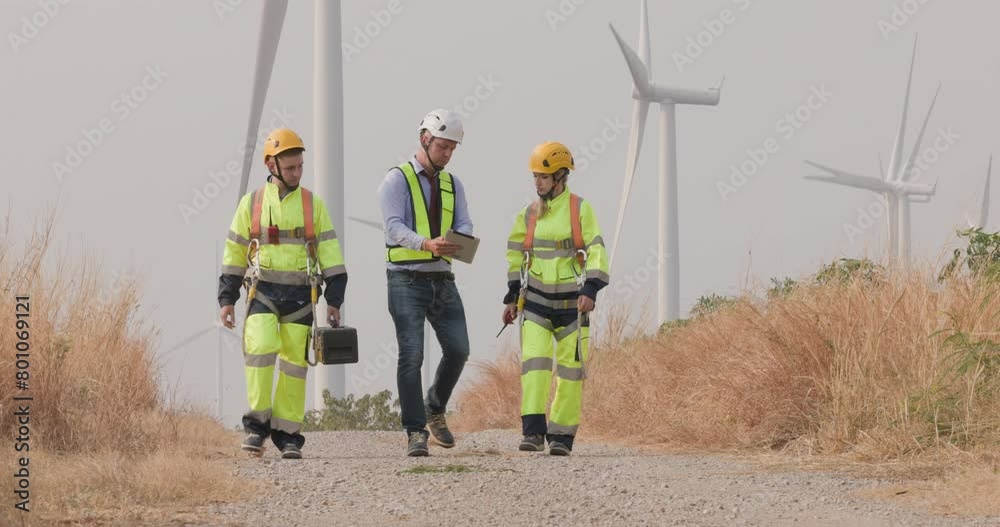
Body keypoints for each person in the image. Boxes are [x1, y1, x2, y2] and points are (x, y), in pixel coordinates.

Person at [218, 128, 348, 460]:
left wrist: (335, 300)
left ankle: (287, 434)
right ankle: (256, 426)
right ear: (271, 165)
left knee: (294, 365)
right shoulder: (253, 203)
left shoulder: (312, 205)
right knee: (260, 349)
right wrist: (226, 299)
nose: (296, 173)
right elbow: (234, 251)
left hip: (302, 297)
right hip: (263, 293)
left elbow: (331, 253)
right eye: (290, 168)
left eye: (300, 167)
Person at [502, 141, 609, 456]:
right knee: (534, 366)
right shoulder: (529, 214)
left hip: (572, 307)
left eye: (544, 177)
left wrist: (591, 288)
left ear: (561, 176)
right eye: (535, 176)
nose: (537, 182)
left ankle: (561, 436)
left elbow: (597, 249)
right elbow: (514, 255)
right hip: (534, 303)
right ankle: (533, 432)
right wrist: (511, 297)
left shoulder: (580, 209)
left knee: (570, 372)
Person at [378, 109, 473, 457]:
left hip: (443, 280)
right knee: (411, 356)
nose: (447, 154)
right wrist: (426, 243)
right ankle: (415, 432)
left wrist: (459, 242)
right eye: (443, 147)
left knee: (460, 349)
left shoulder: (453, 184)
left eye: (452, 149)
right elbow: (392, 227)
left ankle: (435, 405)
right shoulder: (396, 180)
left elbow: (464, 224)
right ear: (425, 139)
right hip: (405, 280)